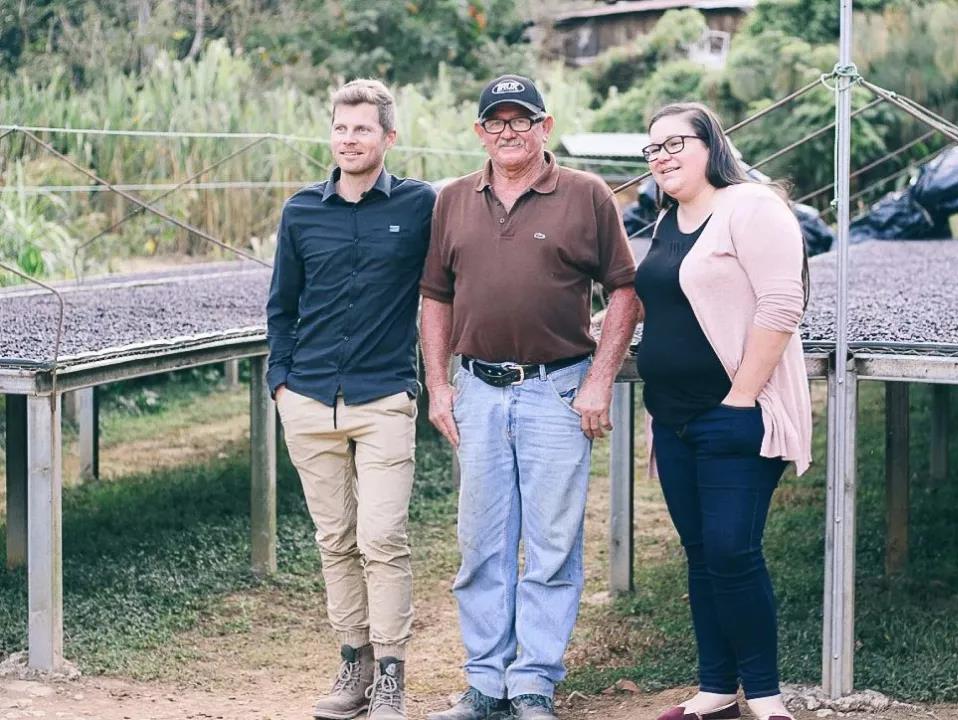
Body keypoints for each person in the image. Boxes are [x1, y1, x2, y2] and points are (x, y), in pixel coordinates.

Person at [419, 74, 640, 720]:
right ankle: (486, 683)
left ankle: (533, 682)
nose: (509, 133)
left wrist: (600, 378)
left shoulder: (587, 195)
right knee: (482, 542)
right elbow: (435, 297)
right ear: (480, 132)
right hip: (478, 392)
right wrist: (438, 386)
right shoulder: (453, 201)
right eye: (497, 122)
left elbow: (623, 291)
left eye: (523, 121)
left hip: (556, 390)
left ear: (546, 127)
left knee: (551, 544)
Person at [634, 102, 812, 720]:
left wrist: (741, 397)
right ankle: (715, 691)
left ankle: (764, 696)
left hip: (733, 412)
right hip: (674, 419)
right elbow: (660, 303)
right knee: (703, 553)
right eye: (652, 149)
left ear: (711, 143)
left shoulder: (752, 206)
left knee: (734, 550)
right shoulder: (666, 222)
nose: (661, 156)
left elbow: (783, 303)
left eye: (674, 142)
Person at [265, 78, 436, 720]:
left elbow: (454, 279)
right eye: (340, 127)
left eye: (362, 128)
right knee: (334, 538)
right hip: (307, 399)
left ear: (389, 137)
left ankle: (392, 673)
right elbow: (281, 305)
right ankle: (352, 666)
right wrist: (280, 381)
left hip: (383, 396)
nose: (349, 138)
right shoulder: (300, 211)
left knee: (382, 538)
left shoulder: (421, 205)